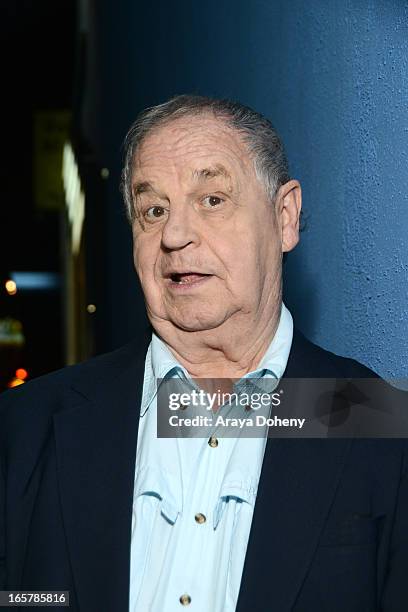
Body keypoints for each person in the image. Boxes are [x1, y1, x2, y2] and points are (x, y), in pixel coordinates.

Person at [0, 95, 407, 612]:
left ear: (285, 218)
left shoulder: (381, 426)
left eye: (211, 199)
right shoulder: (26, 427)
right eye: (153, 209)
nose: (174, 234)